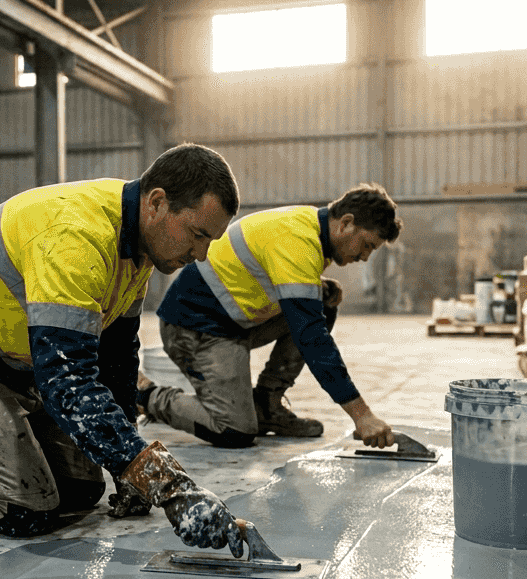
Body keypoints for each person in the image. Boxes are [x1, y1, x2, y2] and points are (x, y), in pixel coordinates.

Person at [0, 143, 246, 557]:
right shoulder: (77, 237)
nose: (201, 254)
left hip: (9, 360)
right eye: (198, 235)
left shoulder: (138, 247)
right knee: (22, 510)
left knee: (80, 489)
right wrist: (168, 486)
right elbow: (67, 384)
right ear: (157, 203)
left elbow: (116, 362)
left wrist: (129, 471)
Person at [138, 182, 402, 450]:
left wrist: (317, 287)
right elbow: (311, 337)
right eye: (367, 245)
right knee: (234, 430)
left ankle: (267, 405)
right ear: (346, 223)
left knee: (322, 301)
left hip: (229, 321)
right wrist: (361, 415)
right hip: (193, 327)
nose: (365, 257)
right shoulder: (297, 240)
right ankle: (145, 394)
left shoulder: (309, 227)